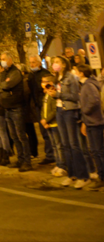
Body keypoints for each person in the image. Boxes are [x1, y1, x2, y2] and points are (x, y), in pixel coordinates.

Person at [48, 56, 89, 188]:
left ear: (64, 65)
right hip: (59, 111)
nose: (55, 64)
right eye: (54, 62)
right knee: (65, 144)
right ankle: (71, 175)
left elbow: (75, 96)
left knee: (73, 144)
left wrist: (58, 95)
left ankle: (83, 176)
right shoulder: (57, 78)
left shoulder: (70, 77)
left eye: (57, 62)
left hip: (70, 111)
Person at [0, 52, 32, 172]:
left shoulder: (15, 72)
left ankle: (27, 161)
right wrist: (4, 85)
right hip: (7, 108)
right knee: (14, 136)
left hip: (16, 107)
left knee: (21, 135)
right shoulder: (4, 73)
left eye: (3, 59)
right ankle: (20, 159)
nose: (2, 61)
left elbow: (8, 85)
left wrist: (4, 86)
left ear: (10, 60)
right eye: (1, 59)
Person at [76, 64, 104, 191]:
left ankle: (102, 176)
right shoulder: (85, 85)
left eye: (76, 71)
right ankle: (101, 175)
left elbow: (94, 100)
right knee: (95, 150)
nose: (75, 73)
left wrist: (84, 111)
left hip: (95, 122)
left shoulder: (89, 85)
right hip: (91, 122)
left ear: (82, 73)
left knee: (98, 151)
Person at [28, 55, 55, 165]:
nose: (32, 65)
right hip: (38, 106)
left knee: (48, 132)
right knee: (44, 132)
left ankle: (51, 155)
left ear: (39, 63)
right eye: (30, 63)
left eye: (34, 62)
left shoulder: (45, 74)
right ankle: (50, 154)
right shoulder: (32, 75)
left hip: (45, 106)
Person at [40, 74, 67, 177]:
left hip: (54, 124)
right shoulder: (46, 94)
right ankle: (58, 163)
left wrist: (46, 120)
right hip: (48, 124)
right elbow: (44, 109)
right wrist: (43, 119)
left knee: (59, 145)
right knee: (54, 146)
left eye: (44, 81)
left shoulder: (53, 94)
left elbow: (55, 110)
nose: (42, 83)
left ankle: (62, 165)